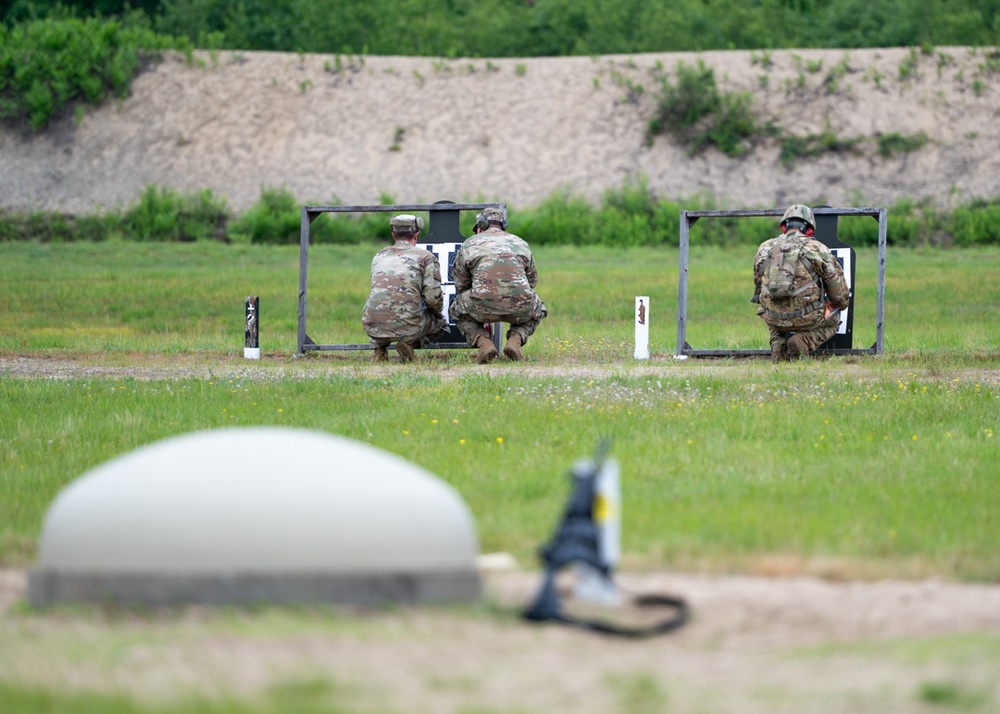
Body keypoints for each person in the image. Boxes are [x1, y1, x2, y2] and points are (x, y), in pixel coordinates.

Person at [449, 207, 547, 363]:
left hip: (482, 304)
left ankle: (484, 343)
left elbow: (461, 283)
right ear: (504, 224)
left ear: (481, 225)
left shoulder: (470, 243)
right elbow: (532, 281)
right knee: (539, 309)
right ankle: (515, 340)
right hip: (519, 305)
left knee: (455, 309)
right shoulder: (520, 243)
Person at [752, 204, 850, 361]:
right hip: (807, 318)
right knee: (834, 320)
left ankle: (778, 345)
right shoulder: (817, 248)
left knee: (772, 309)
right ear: (809, 230)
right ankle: (803, 340)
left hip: (772, 317)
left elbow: (758, 282)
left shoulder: (764, 247)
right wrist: (839, 304)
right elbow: (838, 296)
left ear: (784, 227)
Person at [362, 214, 447, 363]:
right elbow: (433, 299)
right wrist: (436, 312)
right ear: (416, 234)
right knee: (439, 322)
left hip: (372, 324)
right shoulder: (426, 257)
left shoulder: (379, 255)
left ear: (393, 235)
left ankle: (379, 351)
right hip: (409, 326)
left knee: (379, 307)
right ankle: (408, 343)